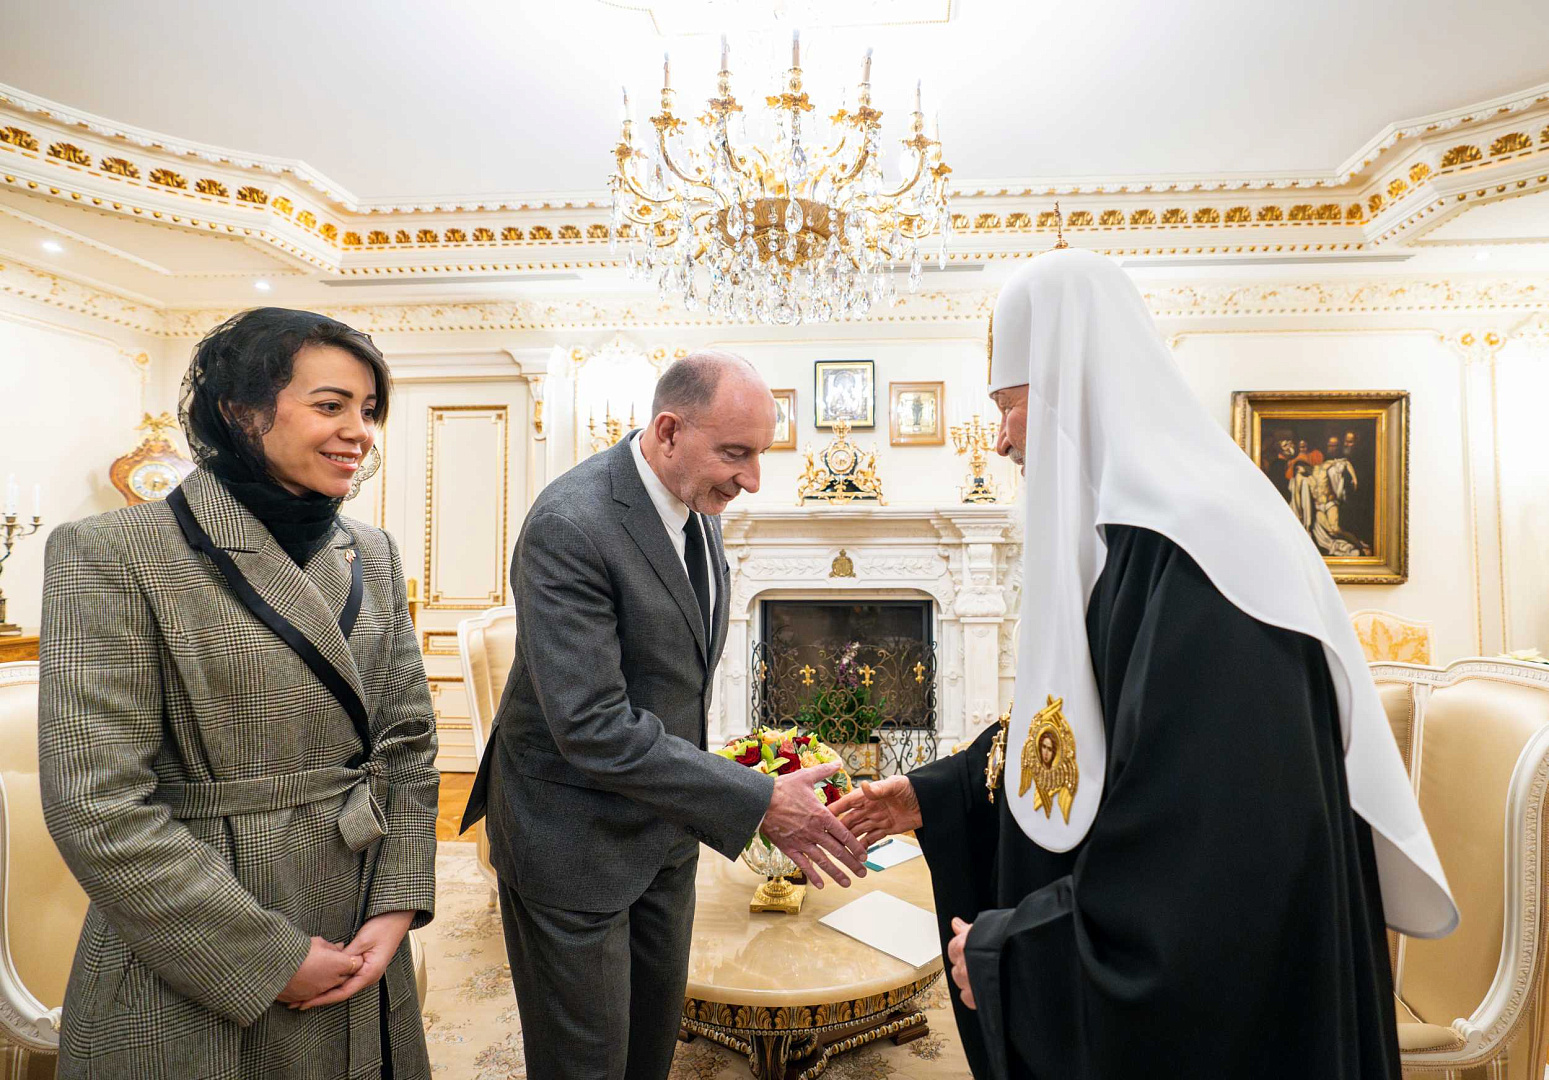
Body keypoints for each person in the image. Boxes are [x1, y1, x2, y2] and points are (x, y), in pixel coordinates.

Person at [833, 250, 1457, 1080]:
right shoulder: (1134, 544)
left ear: (1073, 390)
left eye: (1007, 405)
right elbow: (1076, 724)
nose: (1002, 439)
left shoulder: (1202, 556)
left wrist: (1023, 954)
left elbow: (1209, 851)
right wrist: (937, 792)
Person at [39, 308, 440, 1079]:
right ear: (239, 411)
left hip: (358, 923)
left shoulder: (373, 552)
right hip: (197, 945)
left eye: (368, 410)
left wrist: (395, 903)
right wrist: (267, 959)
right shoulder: (113, 550)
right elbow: (97, 803)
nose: (358, 431)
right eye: (330, 405)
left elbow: (408, 744)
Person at [460, 350, 867, 1080]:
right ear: (670, 431)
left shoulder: (697, 506)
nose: (752, 479)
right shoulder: (569, 523)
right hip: (572, 841)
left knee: (649, 1053)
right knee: (586, 1065)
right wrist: (757, 798)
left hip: (665, 835)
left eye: (761, 454)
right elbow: (590, 723)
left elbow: (674, 677)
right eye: (735, 453)